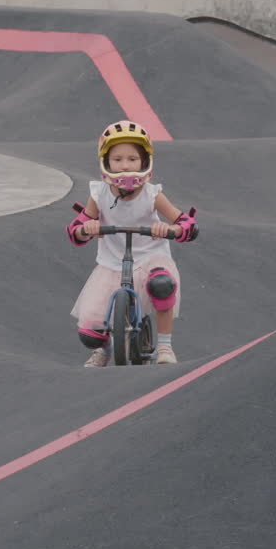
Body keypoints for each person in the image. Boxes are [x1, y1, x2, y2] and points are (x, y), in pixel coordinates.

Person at [66, 120, 198, 367]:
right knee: (89, 333)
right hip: (111, 265)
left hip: (150, 258)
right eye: (117, 159)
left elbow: (185, 223)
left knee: (162, 284)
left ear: (144, 162)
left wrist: (170, 229)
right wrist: (87, 228)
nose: (125, 165)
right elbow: (76, 229)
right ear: (105, 162)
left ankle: (165, 347)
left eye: (132, 159)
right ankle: (104, 349)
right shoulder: (100, 194)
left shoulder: (152, 194)